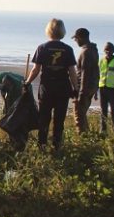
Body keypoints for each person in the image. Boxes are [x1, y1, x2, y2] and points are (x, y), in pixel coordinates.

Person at [25, 19, 78, 150]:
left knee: (44, 117)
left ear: (48, 31)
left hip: (46, 88)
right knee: (59, 119)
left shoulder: (42, 48)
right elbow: (72, 72)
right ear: (62, 31)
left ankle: (42, 144)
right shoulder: (68, 49)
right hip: (63, 88)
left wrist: (27, 82)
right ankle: (56, 145)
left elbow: (36, 70)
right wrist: (76, 88)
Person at [72, 28, 99, 134]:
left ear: (81, 38)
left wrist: (81, 94)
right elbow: (96, 71)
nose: (75, 41)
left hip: (84, 88)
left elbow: (85, 74)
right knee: (82, 115)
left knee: (79, 116)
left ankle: (83, 138)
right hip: (91, 87)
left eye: (76, 38)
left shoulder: (86, 52)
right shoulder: (93, 50)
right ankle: (87, 136)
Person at [98, 42, 114, 132]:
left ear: (113, 51)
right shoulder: (101, 61)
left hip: (113, 90)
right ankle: (103, 130)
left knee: (113, 111)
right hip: (102, 88)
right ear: (104, 50)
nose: (108, 51)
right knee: (103, 111)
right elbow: (98, 75)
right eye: (106, 49)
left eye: (109, 50)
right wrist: (95, 91)